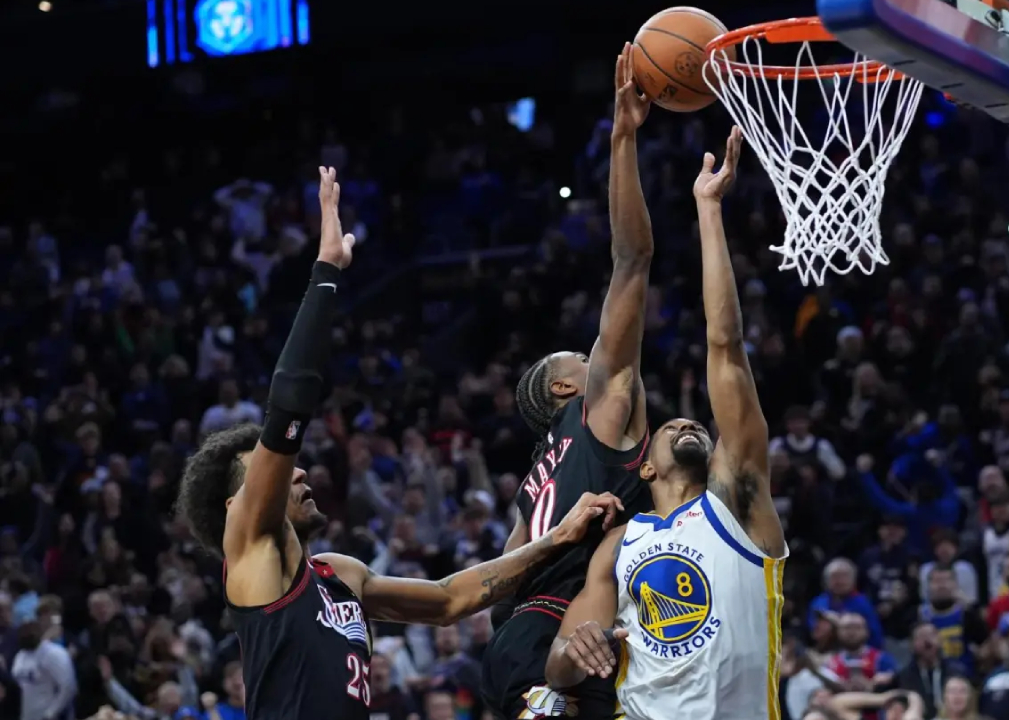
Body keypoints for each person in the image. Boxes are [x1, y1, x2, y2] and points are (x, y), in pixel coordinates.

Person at [174, 168, 625, 720]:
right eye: (272, 471)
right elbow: (289, 404)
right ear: (234, 506)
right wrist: (326, 273)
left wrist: (556, 538)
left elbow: (449, 600)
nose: (297, 472)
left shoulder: (340, 574)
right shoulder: (250, 550)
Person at [543, 126, 789, 719]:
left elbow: (725, 346)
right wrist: (577, 648)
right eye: (671, 426)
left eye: (695, 426)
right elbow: (557, 667)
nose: (688, 425)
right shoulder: (620, 543)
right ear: (645, 466)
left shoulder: (739, 503)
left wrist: (709, 209)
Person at [480, 45, 659, 720]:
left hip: (515, 643)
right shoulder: (597, 411)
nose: (596, 359)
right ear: (564, 391)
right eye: (580, 361)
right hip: (569, 633)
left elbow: (500, 586)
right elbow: (632, 259)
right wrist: (623, 139)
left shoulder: (534, 481)